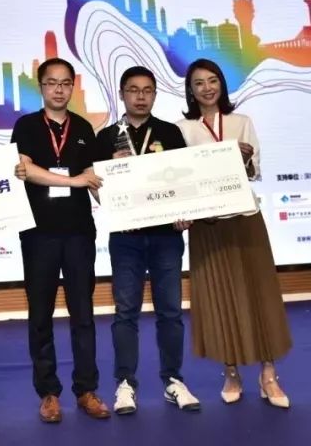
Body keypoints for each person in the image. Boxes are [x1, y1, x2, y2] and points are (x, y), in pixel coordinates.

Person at [176, 58, 292, 409]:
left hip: (244, 217)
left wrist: (244, 158)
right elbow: (180, 176)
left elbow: (255, 172)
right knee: (218, 295)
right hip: (206, 223)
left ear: (222, 84)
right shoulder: (182, 129)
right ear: (190, 90)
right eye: (199, 83)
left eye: (213, 80)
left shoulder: (242, 122)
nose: (207, 88)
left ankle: (268, 374)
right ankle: (231, 372)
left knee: (260, 293)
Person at [93, 66, 201, 415]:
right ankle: (125, 383)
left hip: (166, 235)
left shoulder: (169, 132)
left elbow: (184, 181)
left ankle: (173, 380)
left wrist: (185, 212)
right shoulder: (106, 137)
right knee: (126, 312)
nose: (140, 97)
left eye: (147, 90)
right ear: (122, 94)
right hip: (126, 237)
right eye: (133, 90)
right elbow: (95, 187)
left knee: (170, 311)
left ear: (154, 94)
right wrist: (112, 179)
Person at [11, 57, 110, 423]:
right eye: (51, 82)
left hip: (79, 232)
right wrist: (73, 181)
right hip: (39, 233)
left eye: (65, 83)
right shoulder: (26, 125)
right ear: (41, 87)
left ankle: (86, 389)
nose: (59, 89)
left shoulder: (83, 127)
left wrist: (126, 188)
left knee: (83, 313)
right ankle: (49, 393)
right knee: (41, 314)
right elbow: (26, 170)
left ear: (72, 86)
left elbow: (94, 177)